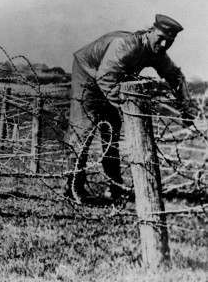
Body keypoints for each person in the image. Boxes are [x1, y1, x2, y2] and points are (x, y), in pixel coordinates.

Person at [65, 14, 196, 203]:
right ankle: (72, 188)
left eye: (169, 42)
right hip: (88, 74)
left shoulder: (156, 52)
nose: (163, 45)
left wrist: (185, 107)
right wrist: (128, 108)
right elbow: (105, 78)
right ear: (151, 32)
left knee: (111, 134)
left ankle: (115, 187)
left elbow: (175, 76)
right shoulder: (127, 45)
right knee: (82, 130)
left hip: (110, 79)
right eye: (160, 39)